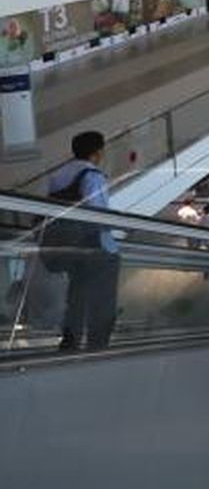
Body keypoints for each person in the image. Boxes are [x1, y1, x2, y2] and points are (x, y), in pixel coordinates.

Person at [44, 130, 119, 352]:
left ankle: (71, 339)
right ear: (97, 152)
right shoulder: (92, 175)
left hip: (69, 244)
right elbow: (98, 213)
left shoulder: (58, 176)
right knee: (102, 299)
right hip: (94, 246)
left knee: (77, 293)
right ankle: (98, 344)